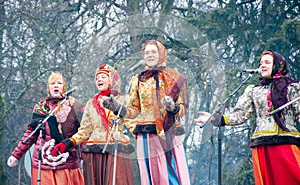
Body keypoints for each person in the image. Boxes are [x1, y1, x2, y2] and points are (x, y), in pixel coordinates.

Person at [196, 50, 300, 185]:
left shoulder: (293, 88)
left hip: (286, 142)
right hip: (261, 144)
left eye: (267, 62)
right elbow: (240, 115)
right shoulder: (254, 90)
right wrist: (214, 118)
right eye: (261, 62)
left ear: (278, 65)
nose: (262, 65)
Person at [116, 40, 191, 184]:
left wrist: (173, 108)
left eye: (153, 52)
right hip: (146, 133)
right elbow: (134, 109)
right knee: (150, 175)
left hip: (168, 132)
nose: (150, 55)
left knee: (170, 173)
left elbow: (183, 109)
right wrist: (118, 108)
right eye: (147, 52)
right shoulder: (138, 80)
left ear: (162, 54)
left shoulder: (175, 78)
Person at [51, 64, 135, 185]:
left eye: (103, 77)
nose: (99, 80)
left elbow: (132, 119)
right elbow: (85, 130)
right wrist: (68, 143)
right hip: (94, 151)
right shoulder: (91, 104)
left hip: (116, 147)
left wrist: (144, 137)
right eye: (97, 78)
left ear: (112, 79)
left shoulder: (123, 100)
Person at [7, 72, 84, 185]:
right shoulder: (41, 107)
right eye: (52, 83)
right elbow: (31, 134)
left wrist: (84, 156)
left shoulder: (75, 106)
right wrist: (16, 155)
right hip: (43, 162)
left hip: (67, 161)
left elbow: (84, 133)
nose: (56, 86)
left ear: (65, 87)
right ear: (48, 88)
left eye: (59, 83)